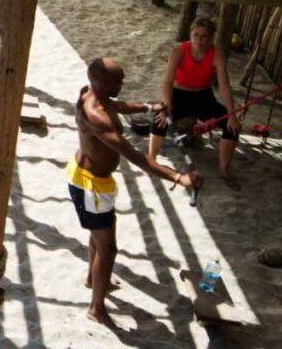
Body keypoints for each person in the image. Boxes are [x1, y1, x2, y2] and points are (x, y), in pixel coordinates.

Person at [71, 57, 202, 325]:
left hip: (92, 181)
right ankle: (96, 309)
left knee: (101, 235)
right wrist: (180, 177)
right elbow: (138, 158)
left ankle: (91, 279)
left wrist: (147, 106)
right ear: (102, 82)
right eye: (118, 80)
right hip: (91, 186)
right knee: (109, 250)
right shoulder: (96, 115)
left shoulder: (91, 92)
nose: (122, 83)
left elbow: (117, 105)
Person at [149, 17, 240, 188]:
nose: (199, 39)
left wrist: (232, 114)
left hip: (203, 96)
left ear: (211, 38)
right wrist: (167, 107)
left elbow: (224, 87)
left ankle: (223, 170)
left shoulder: (216, 54)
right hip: (179, 95)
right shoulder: (179, 50)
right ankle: (152, 161)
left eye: (204, 36)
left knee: (232, 127)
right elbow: (168, 82)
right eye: (196, 35)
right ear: (190, 35)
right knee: (159, 121)